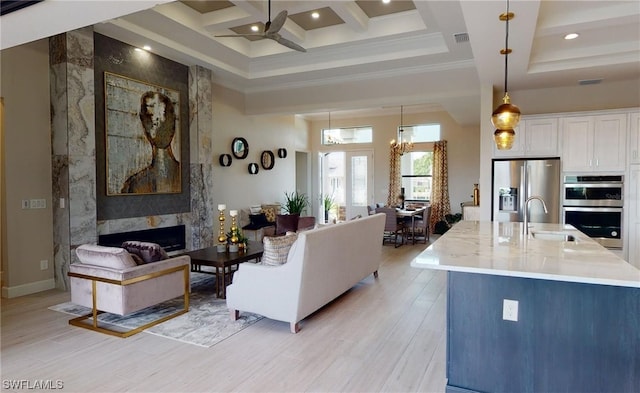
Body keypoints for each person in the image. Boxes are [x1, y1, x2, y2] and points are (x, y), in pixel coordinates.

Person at [121, 91, 181, 194]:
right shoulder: (135, 184)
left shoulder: (189, 177)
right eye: (150, 117)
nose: (157, 123)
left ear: (173, 122)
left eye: (164, 116)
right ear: (144, 125)